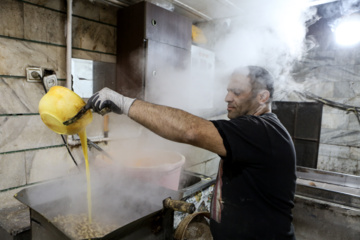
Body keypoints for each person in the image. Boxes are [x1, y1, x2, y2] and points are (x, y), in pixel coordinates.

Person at [86, 66, 297, 240]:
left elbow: (191, 130)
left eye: (237, 92)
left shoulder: (261, 131)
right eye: (228, 90)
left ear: (263, 97)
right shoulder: (259, 129)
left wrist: (123, 103)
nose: (226, 97)